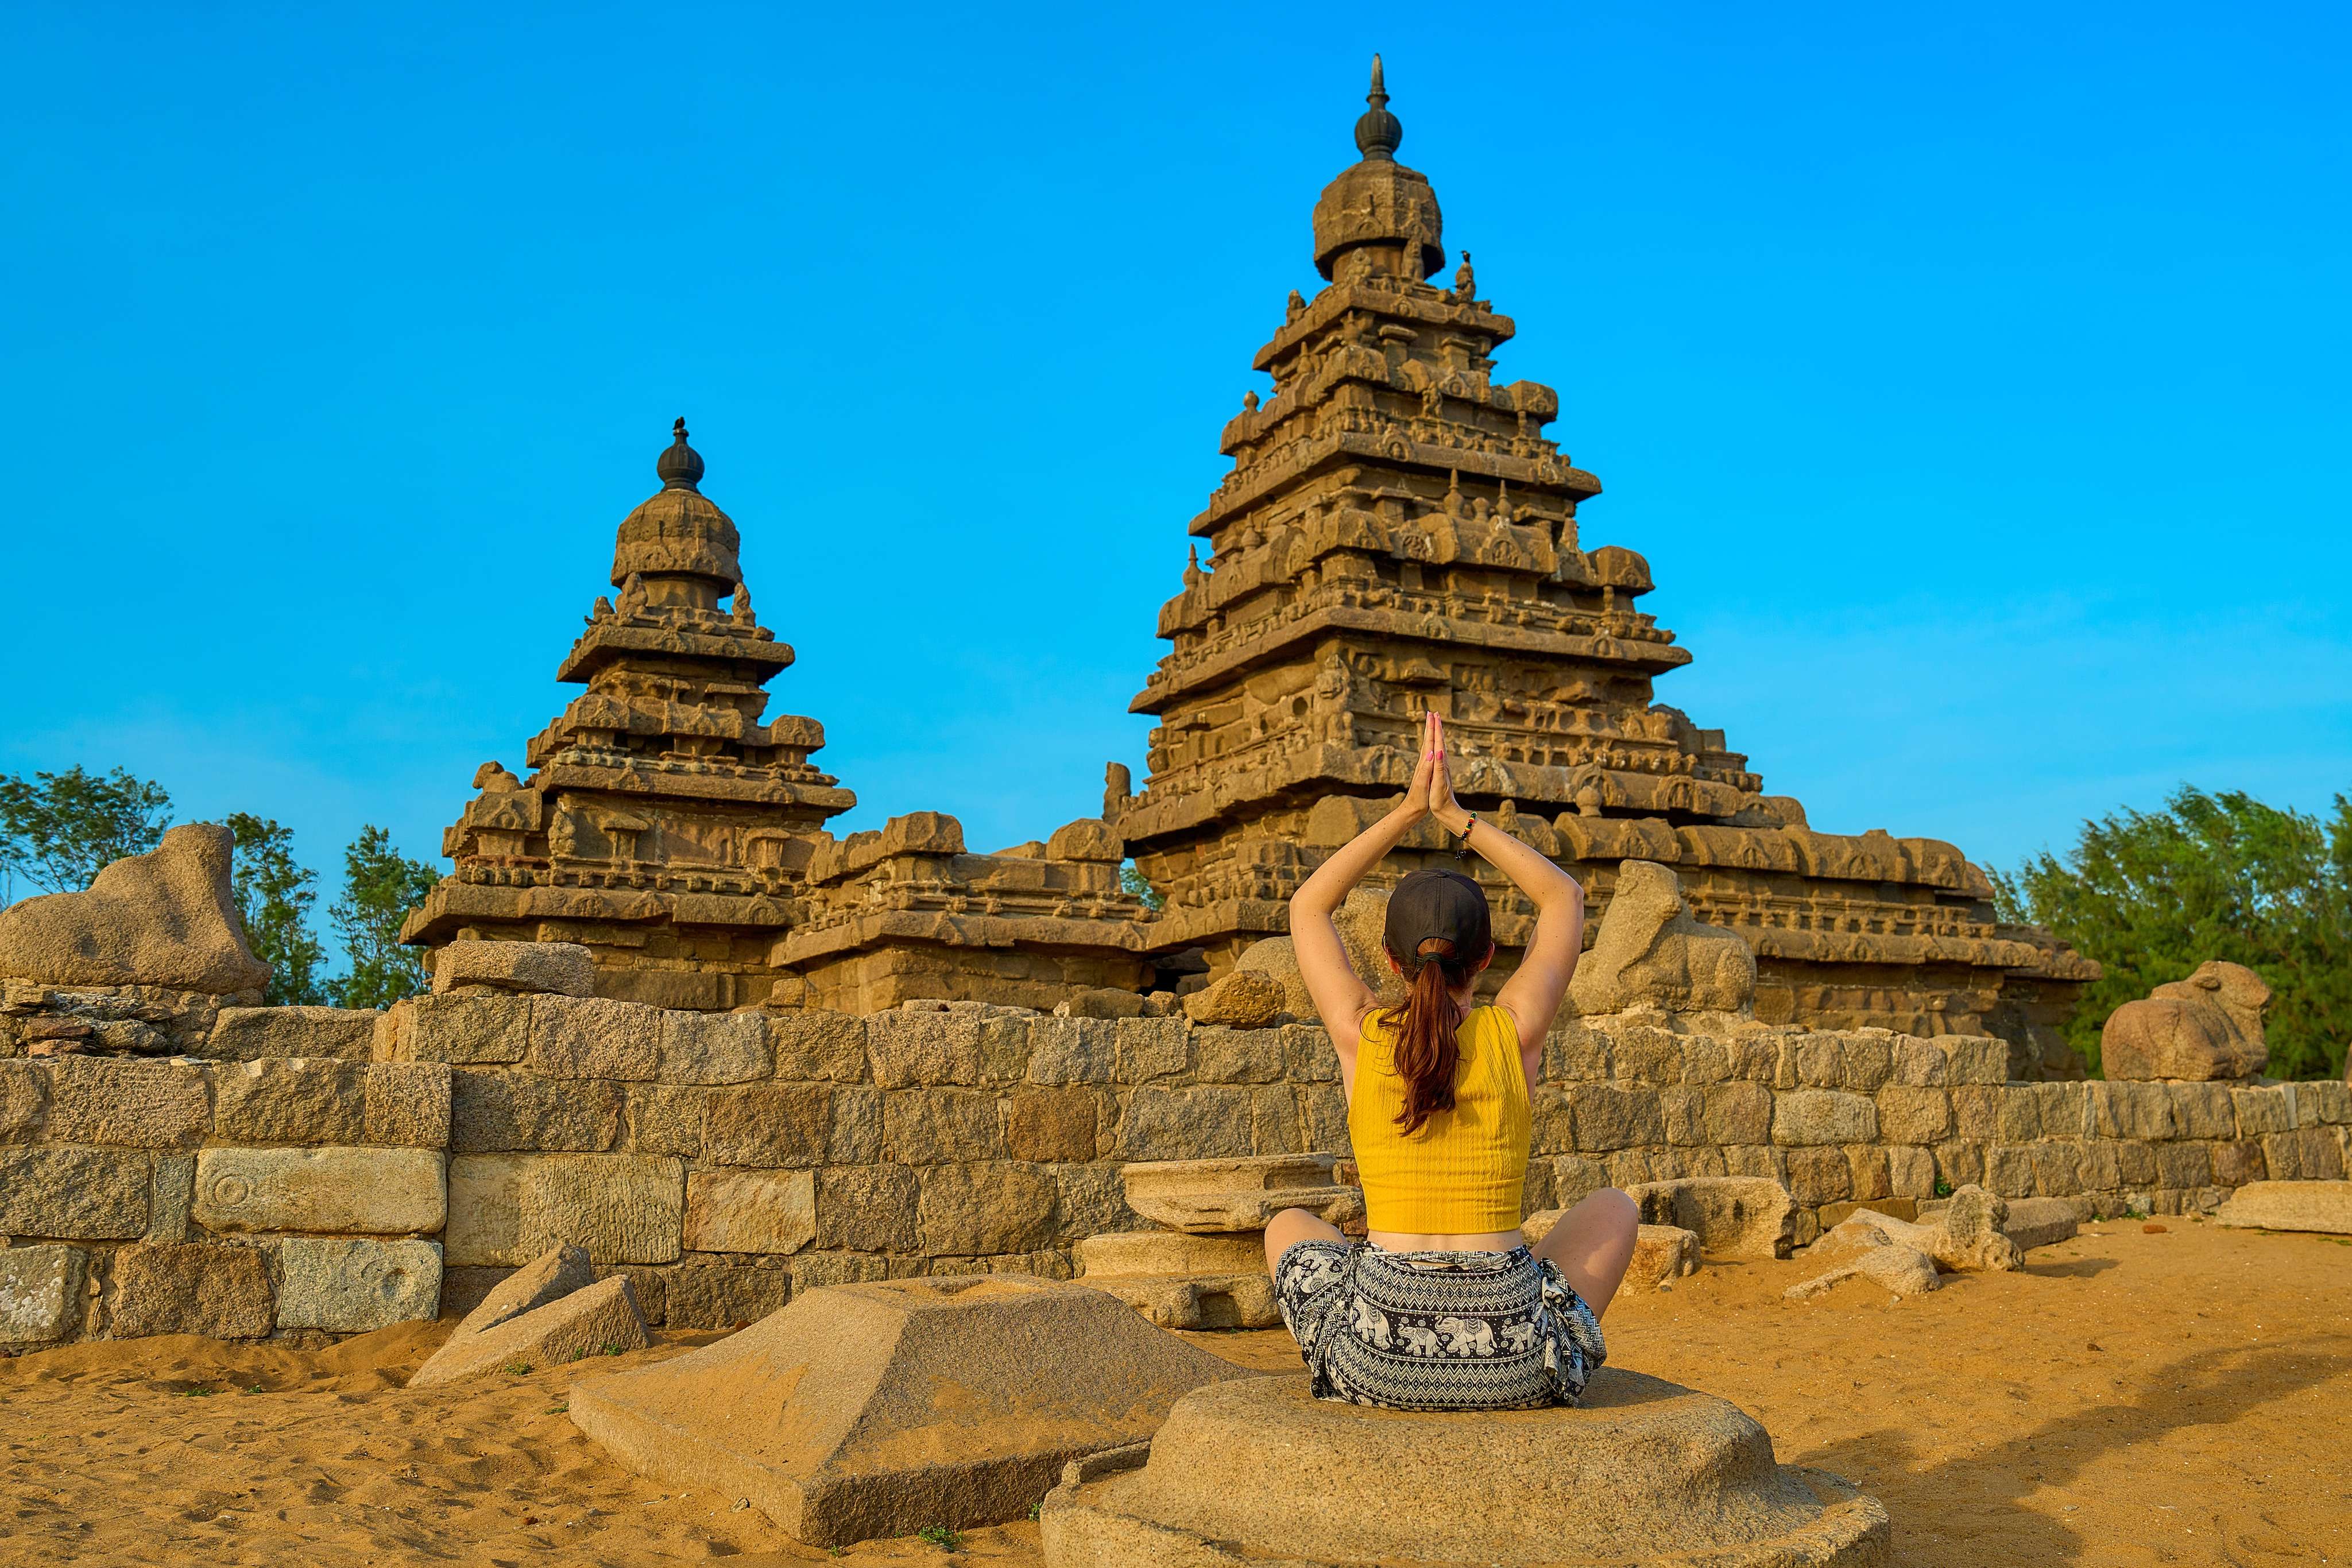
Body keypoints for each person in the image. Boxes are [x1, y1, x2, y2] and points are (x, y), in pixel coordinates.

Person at [1264, 711, 1639, 1411]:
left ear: (1389, 960)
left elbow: (1308, 906)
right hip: (1515, 1362)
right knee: (1614, 1208)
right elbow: (1564, 896)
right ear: (1487, 957)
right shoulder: (1512, 1033)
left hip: (1375, 1362)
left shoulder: (1361, 1033)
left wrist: (1407, 812)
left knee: (1288, 1224)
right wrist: (1456, 817)